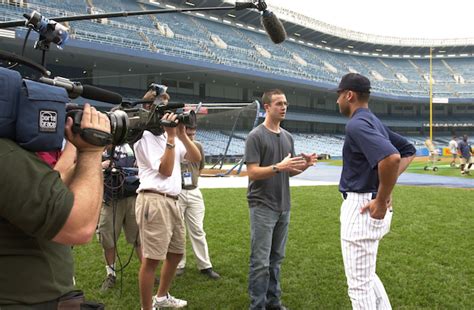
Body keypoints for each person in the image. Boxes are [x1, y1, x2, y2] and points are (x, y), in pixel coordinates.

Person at [0, 104, 110, 307]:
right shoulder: (4, 153)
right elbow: (79, 227)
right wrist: (93, 150)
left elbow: (49, 190)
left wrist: (84, 161)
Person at [335, 73, 416, 309]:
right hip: (368, 205)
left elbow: (391, 158)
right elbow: (408, 150)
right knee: (367, 278)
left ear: (349, 95)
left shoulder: (357, 124)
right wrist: (384, 188)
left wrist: (382, 198)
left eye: (339, 95)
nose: (337, 100)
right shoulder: (372, 120)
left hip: (362, 208)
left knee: (359, 288)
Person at [244, 89, 317, 310]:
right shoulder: (255, 136)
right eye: (278, 104)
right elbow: (253, 172)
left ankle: (273, 302)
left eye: (285, 103)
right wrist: (278, 167)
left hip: (284, 205)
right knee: (260, 262)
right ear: (267, 107)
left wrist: (304, 165)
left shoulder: (288, 137)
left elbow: (289, 171)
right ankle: (257, 305)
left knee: (276, 259)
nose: (283, 107)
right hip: (262, 205)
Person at [134, 87, 201, 310]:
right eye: (163, 105)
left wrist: (181, 134)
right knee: (152, 259)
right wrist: (172, 139)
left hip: (173, 200)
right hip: (154, 200)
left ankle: (161, 297)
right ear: (149, 108)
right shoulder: (143, 137)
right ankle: (147, 308)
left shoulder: (169, 135)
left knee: (176, 252)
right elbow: (164, 169)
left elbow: (195, 157)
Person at [175, 124, 220, 279]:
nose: (192, 137)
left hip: (193, 190)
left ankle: (205, 265)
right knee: (178, 231)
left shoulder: (198, 146)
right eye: (189, 134)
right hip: (177, 192)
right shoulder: (174, 146)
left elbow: (200, 167)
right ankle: (179, 264)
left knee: (198, 230)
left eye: (194, 133)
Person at [98, 143, 142, 291]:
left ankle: (146, 271)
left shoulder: (132, 141)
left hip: (132, 196)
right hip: (110, 199)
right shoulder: (99, 142)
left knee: (139, 238)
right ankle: (111, 274)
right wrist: (100, 165)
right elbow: (84, 167)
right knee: (107, 237)